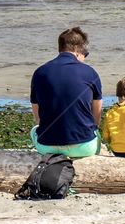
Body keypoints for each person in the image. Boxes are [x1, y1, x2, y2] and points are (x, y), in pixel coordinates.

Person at [29, 27, 103, 159]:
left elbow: (37, 114)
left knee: (34, 130)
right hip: (84, 148)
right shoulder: (90, 72)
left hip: (47, 147)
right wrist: (93, 128)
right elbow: (96, 112)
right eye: (85, 54)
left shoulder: (40, 72)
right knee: (96, 133)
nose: (84, 58)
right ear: (78, 50)